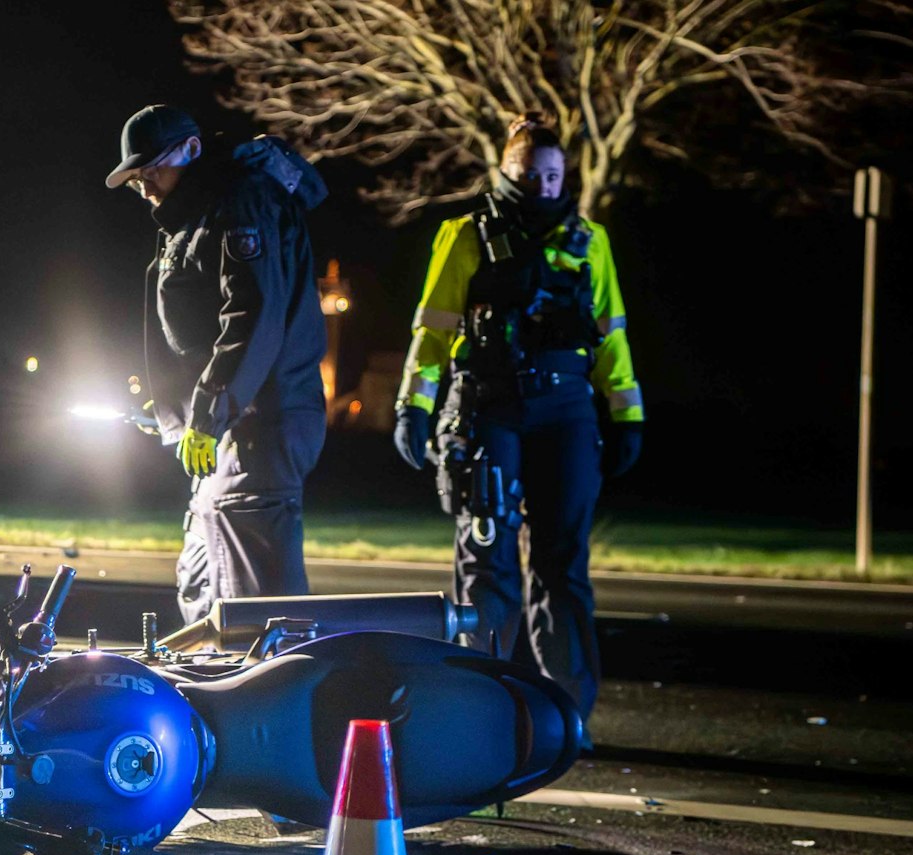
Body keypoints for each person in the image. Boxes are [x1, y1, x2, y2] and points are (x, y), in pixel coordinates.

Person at [391, 114, 645, 720]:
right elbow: (432, 331)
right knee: (487, 563)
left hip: (565, 412)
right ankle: (483, 705)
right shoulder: (465, 234)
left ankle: (565, 712)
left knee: (563, 567)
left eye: (555, 176)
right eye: (533, 175)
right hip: (488, 407)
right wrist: (414, 405)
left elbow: (611, 336)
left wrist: (626, 412)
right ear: (507, 172)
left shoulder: (589, 241)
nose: (546, 187)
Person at [106, 104, 330, 625]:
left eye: (151, 170)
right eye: (136, 177)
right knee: (204, 584)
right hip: (229, 427)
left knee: (256, 608)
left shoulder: (240, 203)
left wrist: (207, 415)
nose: (145, 187)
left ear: (191, 150)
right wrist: (174, 404)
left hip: (257, 424)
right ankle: (214, 695)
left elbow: (253, 318)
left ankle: (273, 702)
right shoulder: (193, 214)